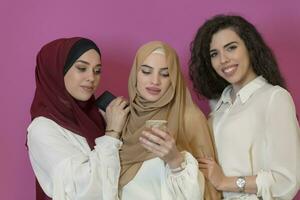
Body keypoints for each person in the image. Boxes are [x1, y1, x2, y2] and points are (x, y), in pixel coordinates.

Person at [189, 14, 300, 199]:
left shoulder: (274, 98)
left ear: (249, 47)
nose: (223, 59)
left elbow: (286, 180)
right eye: (214, 54)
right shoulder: (220, 108)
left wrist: (224, 181)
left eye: (231, 48)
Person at [27, 37, 129, 200]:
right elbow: (84, 191)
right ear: (57, 71)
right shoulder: (42, 129)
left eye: (97, 71)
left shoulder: (97, 117)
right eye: (82, 68)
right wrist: (112, 133)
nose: (91, 78)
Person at [119, 41, 220, 200]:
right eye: (146, 71)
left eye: (165, 74)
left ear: (174, 79)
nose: (155, 81)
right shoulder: (123, 118)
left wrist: (176, 161)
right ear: (135, 74)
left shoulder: (190, 118)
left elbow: (210, 191)